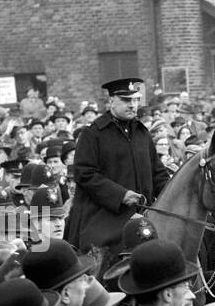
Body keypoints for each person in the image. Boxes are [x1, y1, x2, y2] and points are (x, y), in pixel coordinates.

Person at [65, 78, 171, 273]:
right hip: (105, 216)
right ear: (111, 101)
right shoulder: (94, 133)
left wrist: (173, 194)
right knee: (103, 258)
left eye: (136, 100)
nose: (133, 105)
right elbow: (84, 173)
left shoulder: (142, 133)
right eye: (126, 100)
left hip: (144, 214)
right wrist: (120, 195)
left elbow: (158, 172)